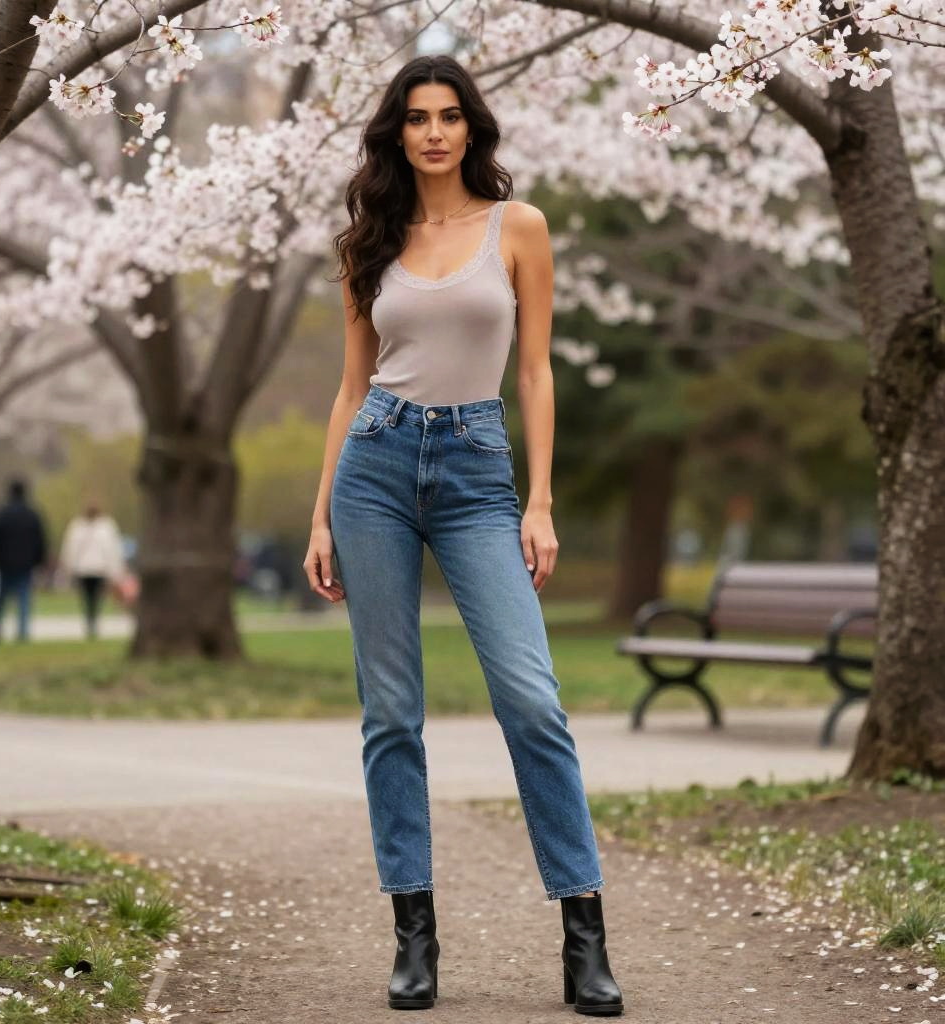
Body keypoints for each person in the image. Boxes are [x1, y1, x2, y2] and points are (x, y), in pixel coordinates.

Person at [304, 55, 623, 1016]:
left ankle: (584, 931)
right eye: (416, 118)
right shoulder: (370, 241)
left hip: (480, 471)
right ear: (396, 132)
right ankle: (414, 935)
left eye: (449, 116)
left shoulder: (517, 228)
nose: (434, 132)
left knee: (531, 699)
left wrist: (541, 499)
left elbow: (535, 373)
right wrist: (320, 513)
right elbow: (352, 388)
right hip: (376, 470)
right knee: (391, 711)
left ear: (471, 128)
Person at [0, 478, 47, 643]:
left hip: (4, 563)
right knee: (24, 600)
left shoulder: (1, 514)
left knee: (0, 600)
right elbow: (40, 540)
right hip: (25, 564)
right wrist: (38, 560)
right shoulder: (32, 515)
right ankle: (23, 633)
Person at [58, 499, 126, 639]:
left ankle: (92, 621)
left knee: (94, 596)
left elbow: (112, 550)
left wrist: (116, 569)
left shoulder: (104, 526)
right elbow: (71, 548)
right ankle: (91, 621)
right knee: (88, 597)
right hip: (85, 570)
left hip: (97, 569)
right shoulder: (80, 526)